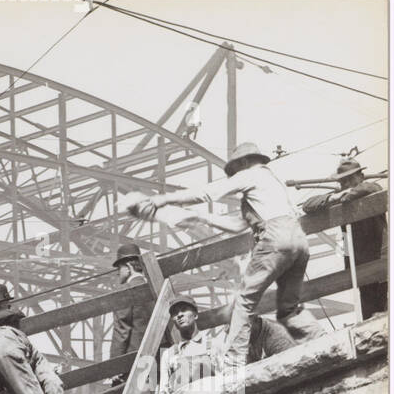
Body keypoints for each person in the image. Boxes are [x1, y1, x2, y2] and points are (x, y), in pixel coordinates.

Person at [135, 142, 323, 369]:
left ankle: (233, 364)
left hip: (274, 237)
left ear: (243, 163)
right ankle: (322, 342)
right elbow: (236, 225)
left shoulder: (251, 174)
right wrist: (201, 217)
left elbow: (206, 193)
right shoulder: (270, 183)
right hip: (298, 240)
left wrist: (164, 200)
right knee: (289, 308)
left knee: (244, 302)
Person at [296, 158, 388, 319]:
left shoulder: (371, 188)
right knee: (370, 313)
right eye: (343, 181)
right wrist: (334, 198)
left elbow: (370, 187)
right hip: (360, 265)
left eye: (351, 178)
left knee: (386, 310)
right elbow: (308, 205)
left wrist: (345, 195)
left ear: (361, 176)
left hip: (381, 261)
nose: (347, 183)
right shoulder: (339, 196)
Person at [155, 296, 228, 394]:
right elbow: (163, 393)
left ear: (195, 315)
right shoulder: (169, 354)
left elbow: (229, 379)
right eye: (175, 313)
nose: (179, 315)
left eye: (184, 310)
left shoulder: (215, 345)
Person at [109, 242, 169, 359]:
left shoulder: (125, 290)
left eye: (119, 268)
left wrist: (114, 366)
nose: (117, 272)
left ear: (128, 267)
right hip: (162, 356)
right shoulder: (157, 287)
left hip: (136, 361)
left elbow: (121, 331)